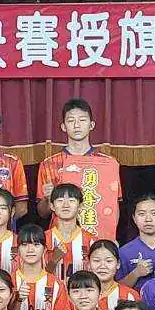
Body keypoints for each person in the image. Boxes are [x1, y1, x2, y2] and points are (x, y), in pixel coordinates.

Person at [35, 98, 122, 239]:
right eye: (71, 121)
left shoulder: (107, 163)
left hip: (98, 241)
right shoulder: (49, 164)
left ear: (91, 125)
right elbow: (42, 213)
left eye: (82, 120)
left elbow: (114, 208)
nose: (77, 125)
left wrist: (110, 239)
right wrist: (47, 198)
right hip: (61, 239)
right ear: (63, 126)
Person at [117, 194, 155, 287]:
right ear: (134, 219)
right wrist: (135, 274)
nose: (148, 219)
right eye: (142, 214)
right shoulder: (124, 252)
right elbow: (116, 288)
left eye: (154, 213)